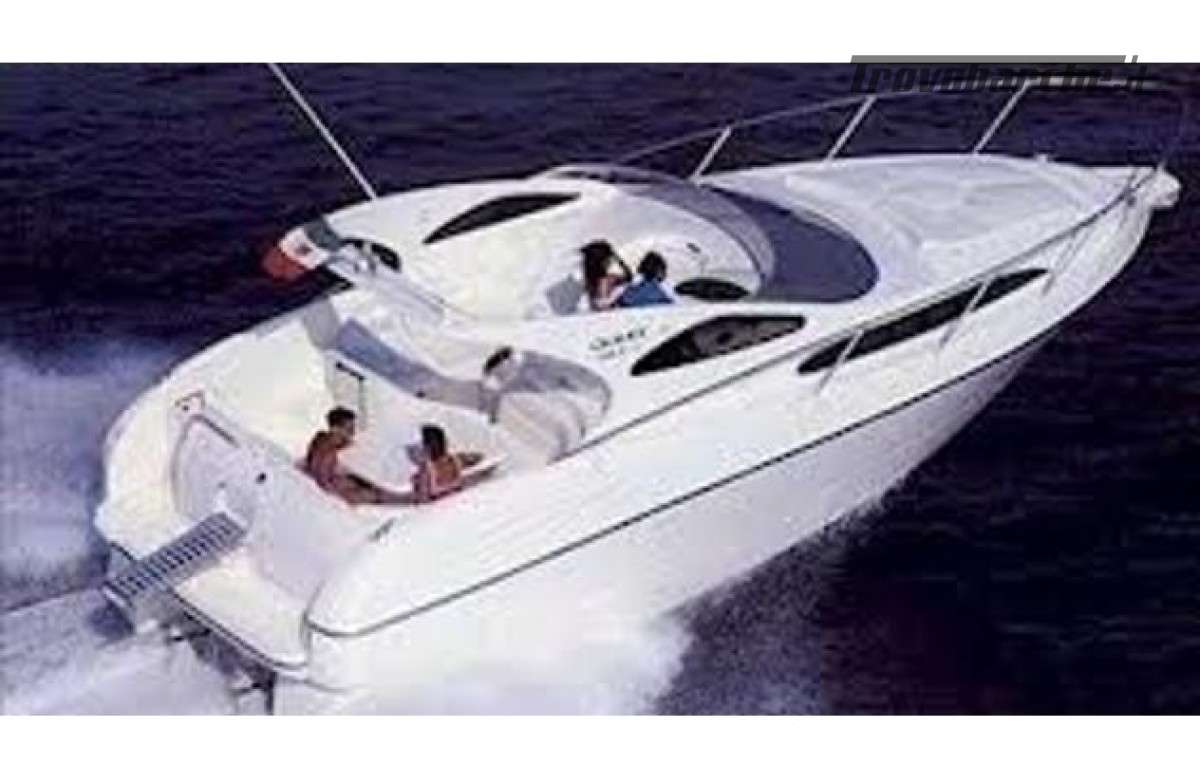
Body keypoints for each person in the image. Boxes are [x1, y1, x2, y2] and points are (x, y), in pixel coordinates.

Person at [304, 407, 394, 505]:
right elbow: (324, 485)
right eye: (349, 429)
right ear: (335, 429)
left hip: (346, 483)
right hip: (340, 495)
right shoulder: (325, 450)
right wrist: (360, 493)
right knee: (381, 495)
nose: (353, 433)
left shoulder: (336, 443)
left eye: (353, 428)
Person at [412, 424, 484, 503]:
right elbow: (421, 497)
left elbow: (474, 458)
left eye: (436, 442)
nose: (434, 446)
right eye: (430, 443)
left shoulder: (453, 460)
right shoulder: (427, 468)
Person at [581, 240, 630, 311]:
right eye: (607, 259)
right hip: (598, 290)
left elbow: (626, 273)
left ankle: (604, 302)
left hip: (598, 287)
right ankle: (603, 303)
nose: (609, 262)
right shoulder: (592, 263)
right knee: (606, 281)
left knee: (610, 280)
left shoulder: (593, 260)